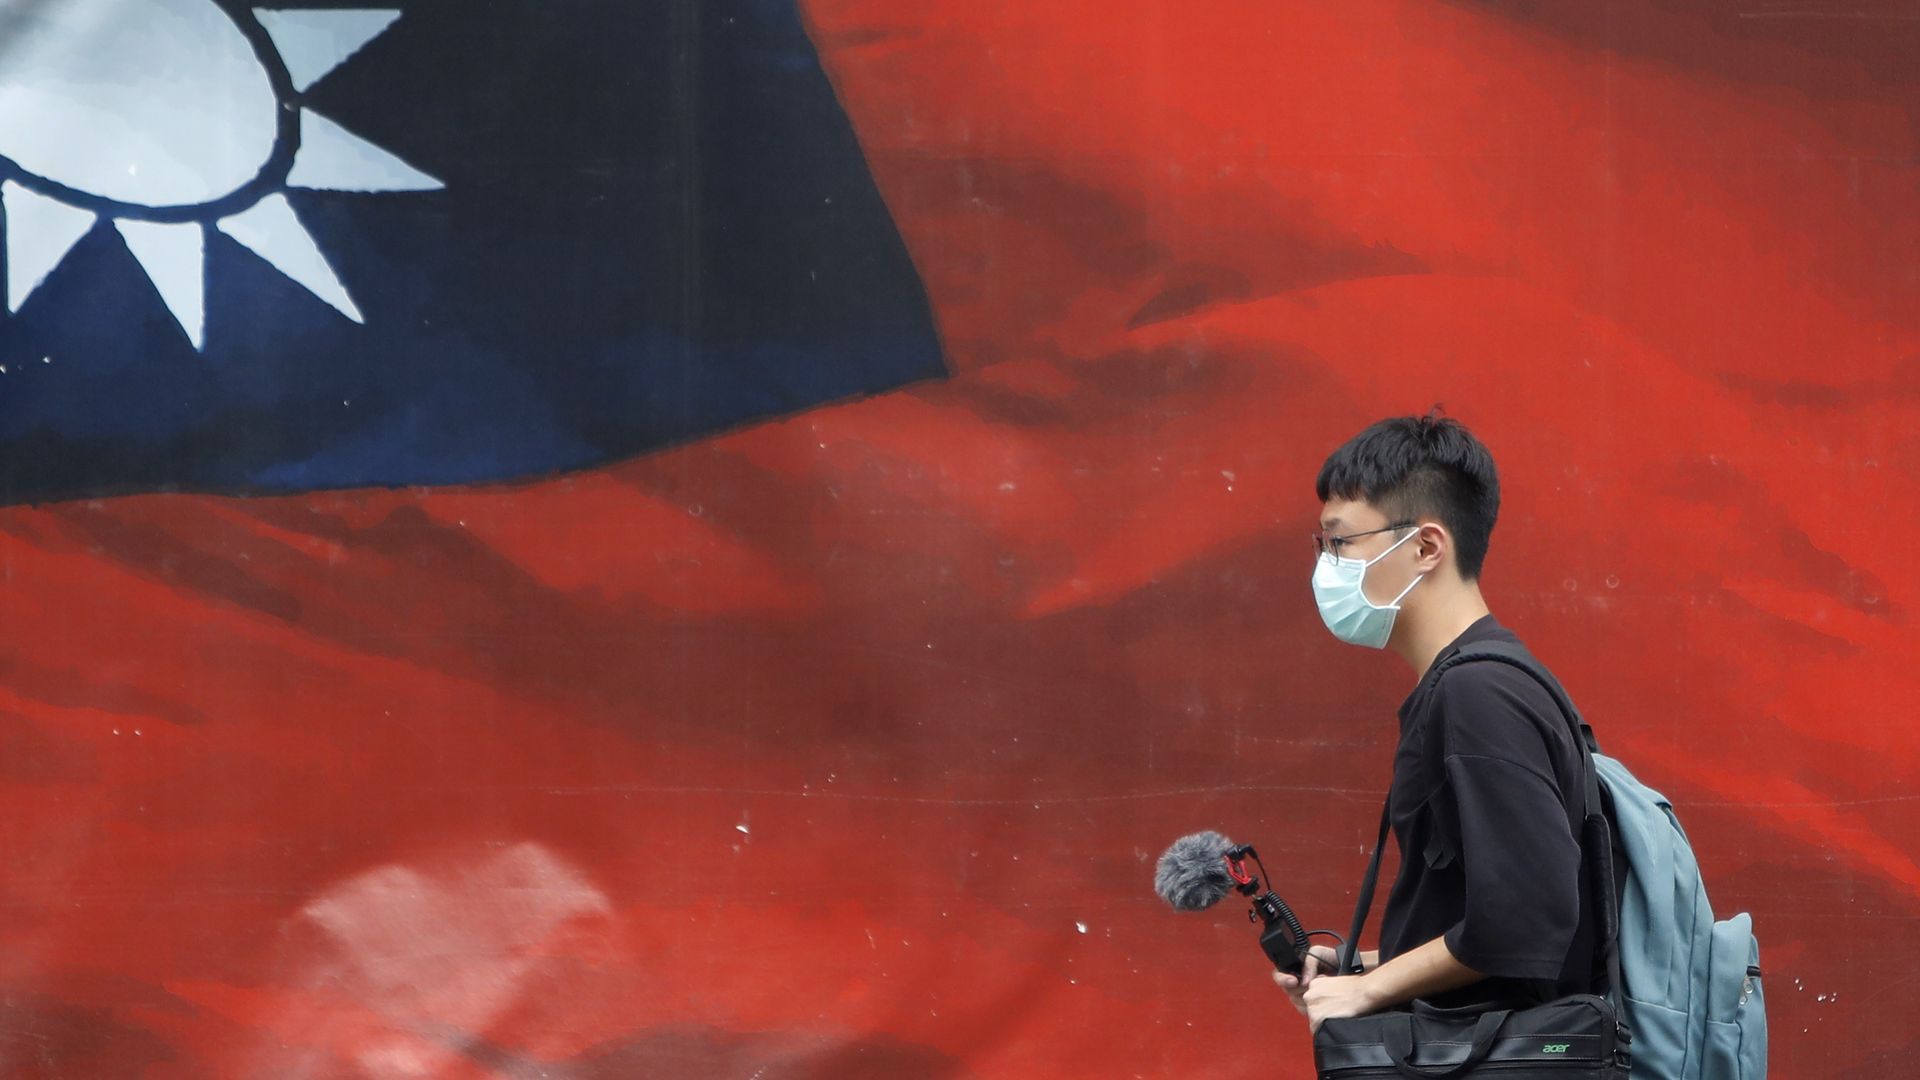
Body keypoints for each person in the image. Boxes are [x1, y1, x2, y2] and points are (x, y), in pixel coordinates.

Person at [1275, 411, 1599, 1033]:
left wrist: (1367, 994)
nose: (1326, 565)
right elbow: (1485, 923)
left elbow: (1526, 919)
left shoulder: (1480, 694)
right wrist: (1365, 967)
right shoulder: (1479, 681)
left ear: (1425, 547)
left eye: (1340, 542)